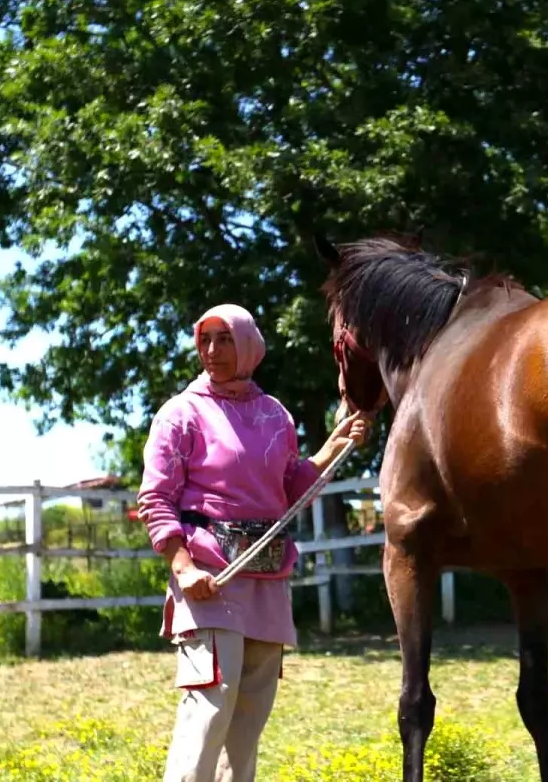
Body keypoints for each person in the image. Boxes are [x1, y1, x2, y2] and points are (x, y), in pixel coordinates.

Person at [137, 303, 368, 782]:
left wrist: (334, 446)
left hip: (268, 581)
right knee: (208, 715)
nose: (213, 350)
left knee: (247, 728)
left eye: (225, 339)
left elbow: (288, 488)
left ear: (248, 345)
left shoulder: (275, 415)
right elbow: (156, 499)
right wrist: (184, 568)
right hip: (210, 584)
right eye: (205, 339)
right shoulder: (182, 414)